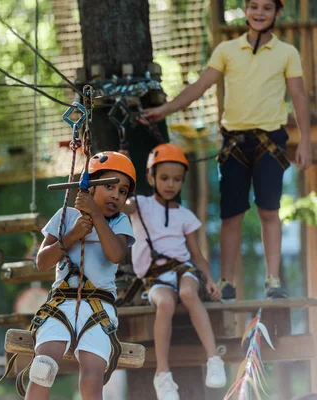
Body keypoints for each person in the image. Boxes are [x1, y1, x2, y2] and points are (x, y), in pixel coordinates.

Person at [142, 0, 312, 300]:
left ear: (277, 13)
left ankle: (273, 280)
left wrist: (306, 143)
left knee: (268, 210)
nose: (259, 13)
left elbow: (298, 96)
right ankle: (225, 282)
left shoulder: (287, 52)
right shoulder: (227, 50)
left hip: (269, 141)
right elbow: (201, 86)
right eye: (254, 6)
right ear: (245, 10)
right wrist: (165, 110)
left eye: (267, 8)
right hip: (234, 142)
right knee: (231, 215)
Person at [24, 151, 136, 400]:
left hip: (98, 306)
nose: (116, 195)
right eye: (109, 186)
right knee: (43, 367)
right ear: (88, 187)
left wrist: (96, 216)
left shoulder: (119, 222)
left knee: (92, 377)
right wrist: (72, 235)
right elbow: (42, 262)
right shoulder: (65, 217)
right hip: (61, 303)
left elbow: (116, 254)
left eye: (123, 191)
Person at [122, 143, 226, 400]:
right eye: (165, 178)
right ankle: (163, 374)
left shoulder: (185, 215)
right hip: (155, 276)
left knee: (189, 293)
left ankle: (214, 358)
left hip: (183, 269)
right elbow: (121, 204)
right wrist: (123, 174)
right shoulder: (140, 205)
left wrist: (210, 280)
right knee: (165, 304)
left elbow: (197, 254)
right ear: (150, 177)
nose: (171, 184)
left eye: (177, 180)